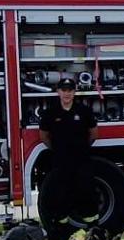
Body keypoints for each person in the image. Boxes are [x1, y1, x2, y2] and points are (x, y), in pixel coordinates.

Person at [39, 77, 99, 220]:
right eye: (64, 90)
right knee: (61, 190)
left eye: (70, 90)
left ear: (74, 92)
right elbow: (44, 136)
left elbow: (93, 133)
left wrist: (81, 148)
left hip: (81, 158)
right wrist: (58, 149)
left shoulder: (84, 111)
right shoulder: (50, 113)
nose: (67, 93)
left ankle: (91, 223)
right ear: (58, 92)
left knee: (85, 188)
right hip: (61, 160)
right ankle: (62, 223)